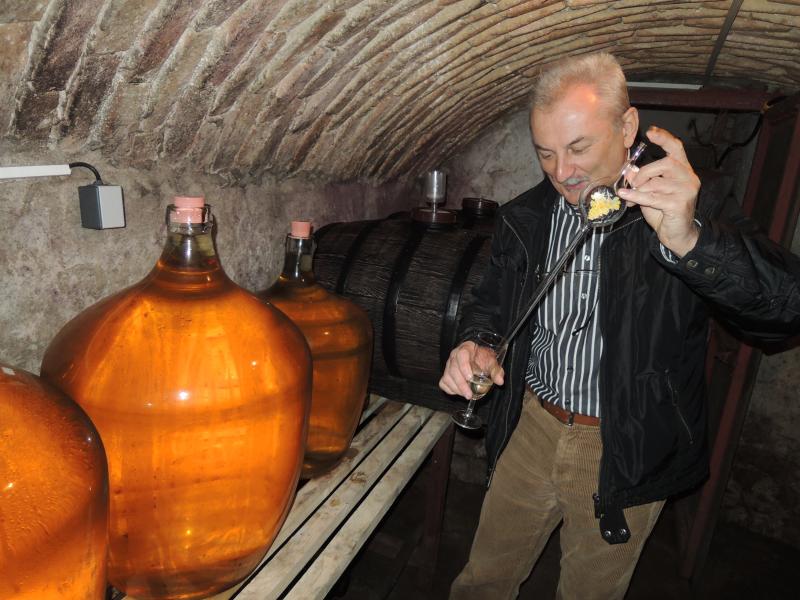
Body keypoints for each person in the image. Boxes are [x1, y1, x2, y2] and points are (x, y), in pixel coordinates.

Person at [439, 52, 800, 600]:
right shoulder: (527, 215)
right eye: (546, 153)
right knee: (482, 580)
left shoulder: (694, 202)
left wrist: (691, 241)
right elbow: (493, 301)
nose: (562, 172)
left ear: (627, 127)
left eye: (579, 147)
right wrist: (478, 341)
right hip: (533, 423)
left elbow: (785, 309)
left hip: (624, 444)